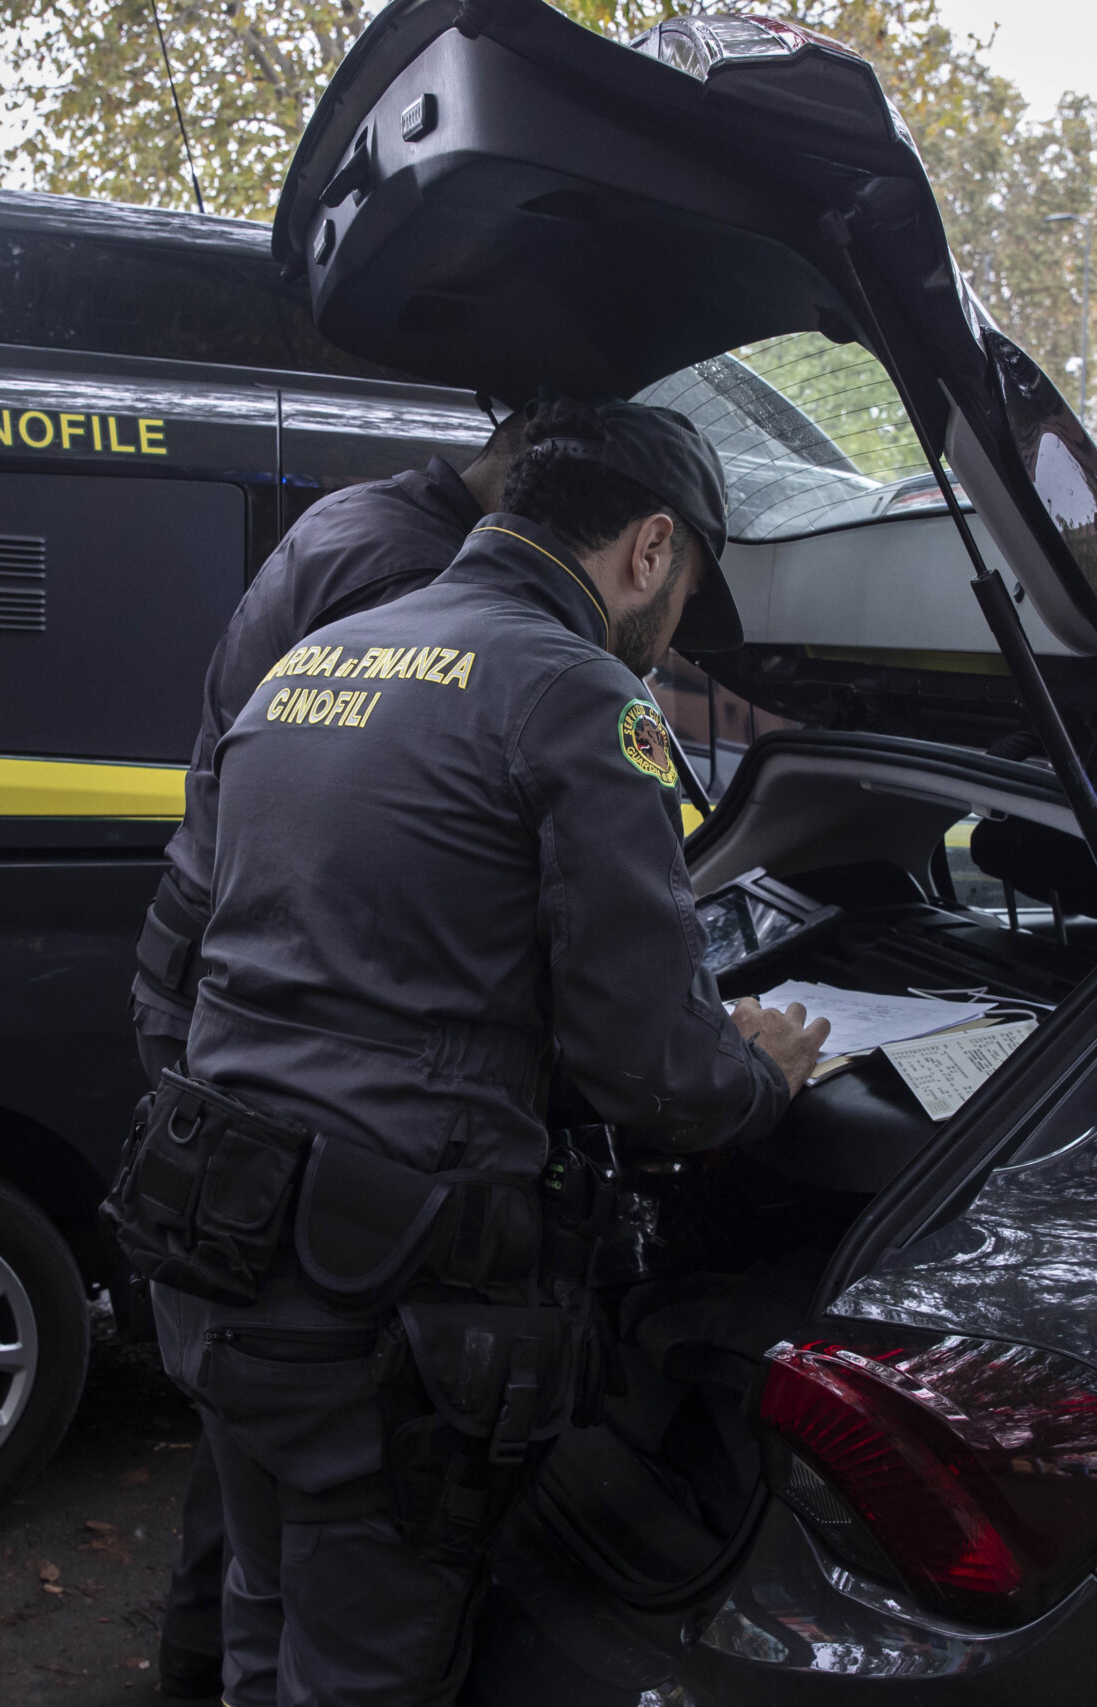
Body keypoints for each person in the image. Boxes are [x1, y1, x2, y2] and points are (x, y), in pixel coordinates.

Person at [132, 397, 828, 1707]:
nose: (672, 626)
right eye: (683, 589)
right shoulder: (576, 695)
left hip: (216, 1245)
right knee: (366, 1660)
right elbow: (655, 1072)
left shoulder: (323, 658)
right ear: (649, 548)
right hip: (378, 1290)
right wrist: (763, 1072)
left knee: (262, 1604)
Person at [132, 415, 526, 1699]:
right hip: (273, 1002)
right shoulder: (420, 574)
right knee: (310, 1415)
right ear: (533, 456)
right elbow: (420, 858)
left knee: (250, 1419)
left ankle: (210, 1670)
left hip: (207, 966)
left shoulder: (353, 519)